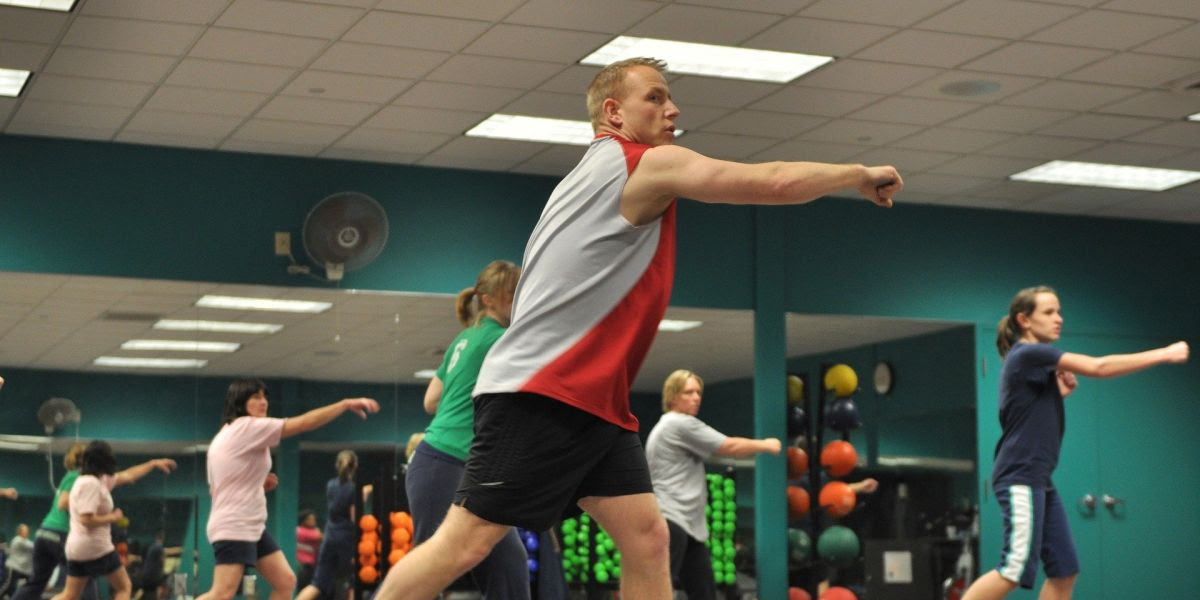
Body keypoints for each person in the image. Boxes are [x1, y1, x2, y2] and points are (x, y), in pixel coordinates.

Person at [374, 57, 901, 600]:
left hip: (593, 404)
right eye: (655, 97)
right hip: (542, 395)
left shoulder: (586, 178)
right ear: (613, 112)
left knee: (649, 540)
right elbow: (769, 181)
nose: (671, 109)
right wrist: (855, 174)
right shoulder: (639, 164)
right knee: (464, 544)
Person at [962, 286, 1189, 600]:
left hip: (1039, 479)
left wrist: (1056, 395)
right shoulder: (1028, 353)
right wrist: (1163, 354)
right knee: (1013, 569)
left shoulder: (1031, 363)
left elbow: (1021, 414)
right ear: (1024, 320)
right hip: (1020, 477)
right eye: (1049, 312)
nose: (1059, 319)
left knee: (1064, 571)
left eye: (1059, 311)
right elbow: (1099, 367)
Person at [404, 260, 530, 598]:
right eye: (512, 295)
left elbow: (431, 401)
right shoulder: (503, 339)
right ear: (489, 300)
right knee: (430, 567)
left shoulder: (466, 338)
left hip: (466, 466)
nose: (520, 301)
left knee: (509, 563)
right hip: (445, 462)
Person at [196, 379, 378, 600]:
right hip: (235, 525)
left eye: (265, 397)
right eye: (256, 398)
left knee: (285, 581)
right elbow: (302, 424)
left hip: (249, 524)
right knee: (222, 592)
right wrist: (344, 404)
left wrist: (258, 484)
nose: (263, 402)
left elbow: (223, 485)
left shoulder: (229, 433)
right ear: (240, 403)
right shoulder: (246, 426)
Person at [645, 370, 781, 600]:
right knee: (659, 592)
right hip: (671, 520)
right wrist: (767, 445)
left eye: (698, 392)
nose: (696, 397)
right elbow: (729, 447)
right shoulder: (679, 423)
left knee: (704, 591)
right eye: (689, 392)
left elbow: (720, 455)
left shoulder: (668, 427)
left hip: (687, 525)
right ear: (673, 397)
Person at [50, 441, 176, 600]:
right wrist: (113, 517)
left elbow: (128, 475)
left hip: (76, 549)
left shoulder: (94, 481)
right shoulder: (91, 483)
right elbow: (86, 519)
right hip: (96, 546)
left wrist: (152, 464)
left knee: (69, 595)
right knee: (124, 587)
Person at [13, 443, 97, 600]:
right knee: (85, 577)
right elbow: (63, 502)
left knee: (36, 583)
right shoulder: (78, 476)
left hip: (44, 534)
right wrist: (88, 508)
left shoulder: (71, 476)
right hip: (59, 534)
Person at [295, 451, 366, 600]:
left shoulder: (330, 485)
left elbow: (338, 503)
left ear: (337, 465)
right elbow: (354, 517)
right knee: (354, 581)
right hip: (347, 539)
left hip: (330, 537)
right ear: (356, 466)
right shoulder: (353, 488)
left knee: (317, 584)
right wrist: (362, 499)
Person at [2, 524, 33, 599]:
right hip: (13, 567)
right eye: (25, 530)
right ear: (20, 532)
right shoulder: (18, 540)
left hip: (23, 569)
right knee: (9, 586)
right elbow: (32, 546)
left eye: (27, 530)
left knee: (32, 583)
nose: (27, 531)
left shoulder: (26, 540)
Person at [295, 511, 321, 591]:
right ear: (304, 520)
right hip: (301, 566)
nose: (313, 521)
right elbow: (318, 536)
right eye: (310, 519)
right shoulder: (299, 530)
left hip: (311, 566)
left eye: (313, 519)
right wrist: (317, 531)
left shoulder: (313, 531)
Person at [137, 532, 165, 600]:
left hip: (146, 575)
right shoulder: (159, 547)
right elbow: (162, 560)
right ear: (162, 539)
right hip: (153, 577)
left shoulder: (152, 547)